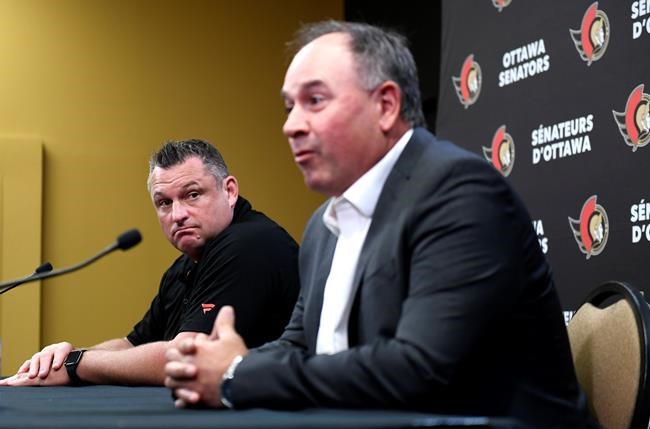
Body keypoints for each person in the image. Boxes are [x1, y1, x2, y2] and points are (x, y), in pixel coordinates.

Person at [163, 22, 596, 427]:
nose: (291, 126)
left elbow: (420, 370)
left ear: (385, 106)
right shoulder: (323, 226)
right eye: (289, 107)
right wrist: (209, 362)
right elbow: (300, 344)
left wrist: (239, 374)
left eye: (315, 101)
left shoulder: (459, 193)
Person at [0, 139, 299, 386]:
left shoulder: (249, 243)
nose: (178, 215)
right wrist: (62, 358)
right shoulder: (184, 267)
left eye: (193, 195)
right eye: (164, 202)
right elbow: (133, 345)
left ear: (229, 191)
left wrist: (77, 364)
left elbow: (187, 357)